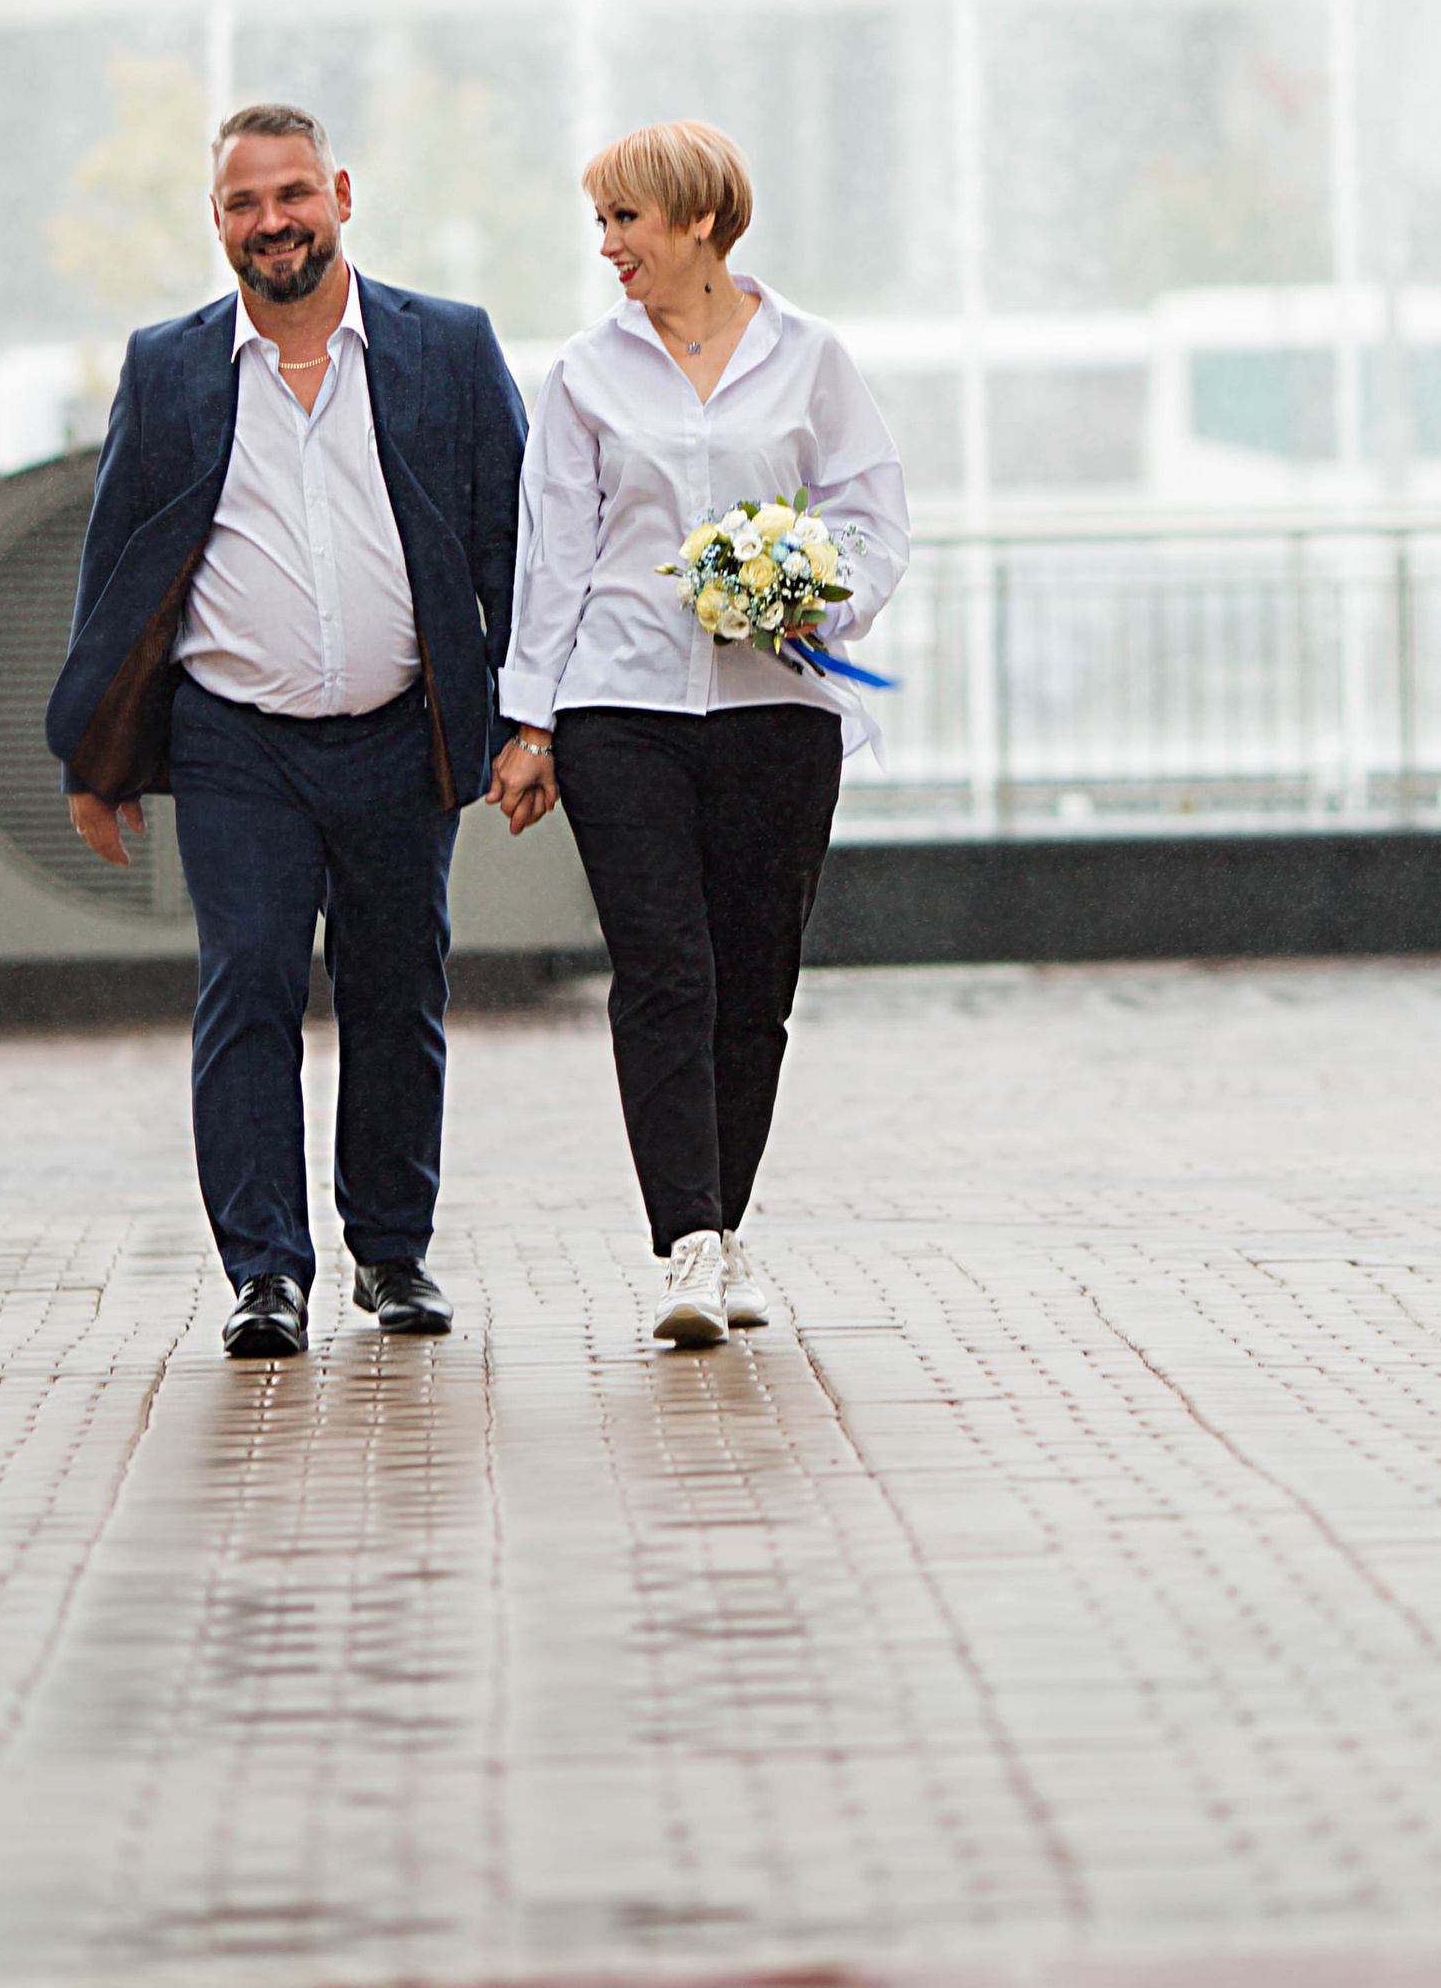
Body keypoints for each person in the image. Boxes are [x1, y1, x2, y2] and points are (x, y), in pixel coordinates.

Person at [45, 100, 529, 1361]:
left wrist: (527, 721)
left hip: (397, 735)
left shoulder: (450, 349)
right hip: (234, 741)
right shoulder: (167, 367)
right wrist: (94, 761)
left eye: (293, 194)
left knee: (396, 987)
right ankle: (265, 1272)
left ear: (342, 195)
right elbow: (118, 569)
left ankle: (391, 1254)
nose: (274, 222)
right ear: (217, 224)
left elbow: (511, 547)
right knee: (249, 984)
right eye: (246, 204)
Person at [490, 119, 908, 1347]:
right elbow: (553, 551)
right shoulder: (585, 373)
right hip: (620, 707)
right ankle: (684, 1243)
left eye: (627, 221)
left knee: (753, 984)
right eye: (603, 224)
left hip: (779, 712)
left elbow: (874, 516)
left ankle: (723, 1227)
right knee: (664, 970)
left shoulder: (811, 358)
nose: (609, 247)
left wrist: (811, 593)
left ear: (698, 223)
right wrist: (531, 721)